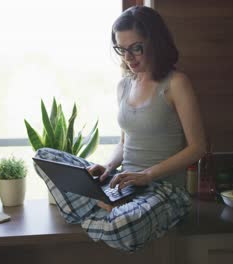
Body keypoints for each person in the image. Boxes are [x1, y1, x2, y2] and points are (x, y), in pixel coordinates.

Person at [35, 5, 206, 252]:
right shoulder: (124, 86)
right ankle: (107, 207)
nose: (128, 58)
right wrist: (108, 166)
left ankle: (101, 211)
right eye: (121, 50)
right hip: (124, 184)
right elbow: (125, 142)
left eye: (136, 48)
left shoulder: (176, 83)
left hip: (163, 190)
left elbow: (198, 148)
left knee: (121, 226)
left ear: (155, 42)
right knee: (44, 156)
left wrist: (147, 175)